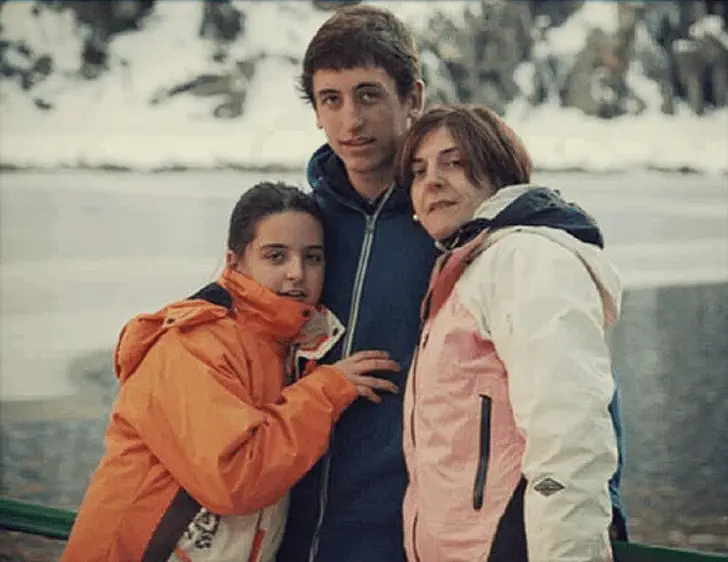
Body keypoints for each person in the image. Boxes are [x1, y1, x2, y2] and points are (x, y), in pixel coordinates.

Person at [60, 182, 401, 562]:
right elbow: (234, 478)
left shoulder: (283, 347)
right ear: (235, 261)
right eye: (275, 256)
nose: (296, 274)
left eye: (313, 258)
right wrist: (324, 392)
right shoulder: (193, 344)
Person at [396, 104, 628, 562]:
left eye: (454, 162)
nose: (432, 181)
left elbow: (569, 437)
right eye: (419, 171)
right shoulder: (467, 268)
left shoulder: (527, 258)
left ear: (499, 170)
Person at [276, 6, 437, 562]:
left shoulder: (455, 227)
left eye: (369, 95)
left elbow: (557, 369)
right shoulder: (296, 231)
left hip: (408, 538)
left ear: (412, 97)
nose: (351, 121)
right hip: (287, 536)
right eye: (331, 100)